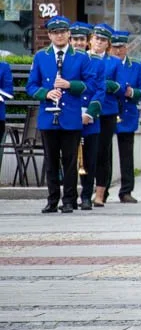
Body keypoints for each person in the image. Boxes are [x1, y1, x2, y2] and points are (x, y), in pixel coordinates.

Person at [28, 16, 96, 214]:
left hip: (71, 115)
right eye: (55, 33)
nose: (59, 36)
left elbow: (91, 85)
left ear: (68, 34)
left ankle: (69, 199)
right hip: (49, 115)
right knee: (50, 161)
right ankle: (52, 199)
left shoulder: (81, 57)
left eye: (63, 32)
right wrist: (46, 93)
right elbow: (31, 86)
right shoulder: (41, 56)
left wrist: (70, 85)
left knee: (70, 161)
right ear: (49, 35)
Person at [90, 24, 124, 206]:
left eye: (103, 40)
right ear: (91, 40)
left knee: (103, 151)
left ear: (108, 44)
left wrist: (104, 83)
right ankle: (87, 189)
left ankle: (101, 192)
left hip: (107, 111)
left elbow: (120, 88)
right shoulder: (84, 58)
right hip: (87, 112)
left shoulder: (114, 62)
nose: (99, 43)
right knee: (86, 152)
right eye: (96, 39)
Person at [111, 30, 141, 203]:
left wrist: (133, 92)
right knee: (104, 153)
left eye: (121, 47)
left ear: (127, 48)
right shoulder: (106, 64)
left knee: (127, 155)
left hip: (127, 112)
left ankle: (126, 190)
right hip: (109, 111)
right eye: (115, 47)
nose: (118, 51)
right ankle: (102, 189)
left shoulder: (136, 66)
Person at [69, 22, 98, 210]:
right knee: (70, 158)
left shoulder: (96, 61)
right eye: (75, 39)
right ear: (70, 41)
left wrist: (89, 113)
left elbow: (99, 90)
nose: (79, 43)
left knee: (90, 158)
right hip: (70, 116)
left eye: (82, 39)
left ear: (87, 42)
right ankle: (70, 196)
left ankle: (87, 195)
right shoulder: (65, 60)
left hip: (89, 117)